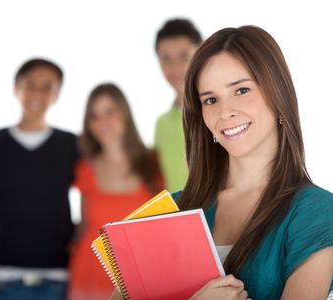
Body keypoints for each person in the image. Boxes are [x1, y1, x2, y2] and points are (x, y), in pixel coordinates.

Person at [111, 25, 333, 300]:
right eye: (211, 99)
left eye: (241, 90)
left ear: (277, 94)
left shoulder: (315, 213)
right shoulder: (174, 209)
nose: (225, 112)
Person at [0, 58, 79, 300]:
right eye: (30, 84)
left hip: (55, 279)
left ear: (57, 96)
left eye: (48, 87)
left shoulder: (69, 145)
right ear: (16, 88)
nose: (37, 92)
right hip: (1, 279)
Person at [67, 83, 162, 300]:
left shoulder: (153, 164)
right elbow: (84, 226)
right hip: (89, 277)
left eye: (110, 112)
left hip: (139, 278)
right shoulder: (85, 168)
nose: (103, 122)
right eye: (95, 116)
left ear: (125, 114)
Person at [154, 18, 202, 193]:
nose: (175, 67)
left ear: (200, 53)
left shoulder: (218, 112)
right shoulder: (161, 125)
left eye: (184, 56)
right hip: (182, 219)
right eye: (166, 59)